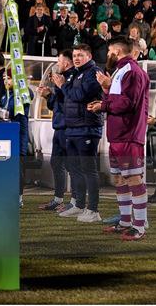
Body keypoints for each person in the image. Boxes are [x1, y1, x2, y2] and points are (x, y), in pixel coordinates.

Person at [87, 37, 149, 240]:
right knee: (120, 179)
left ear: (116, 51)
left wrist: (103, 104)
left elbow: (128, 103)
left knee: (132, 178)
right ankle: (125, 222)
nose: (107, 55)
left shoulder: (131, 71)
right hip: (118, 134)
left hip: (128, 134)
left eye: (109, 51)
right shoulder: (121, 70)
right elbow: (116, 100)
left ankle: (139, 226)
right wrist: (105, 90)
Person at [56, 44, 103, 222]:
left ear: (89, 56)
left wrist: (63, 86)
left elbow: (80, 95)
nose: (76, 58)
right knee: (74, 169)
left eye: (80, 55)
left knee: (88, 170)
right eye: (75, 55)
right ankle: (79, 205)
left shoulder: (93, 72)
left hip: (87, 128)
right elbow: (68, 97)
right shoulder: (75, 73)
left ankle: (93, 210)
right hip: (73, 128)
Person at [38, 49, 76, 211]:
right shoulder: (62, 78)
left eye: (59, 61)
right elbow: (57, 105)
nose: (57, 64)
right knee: (56, 162)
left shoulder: (72, 78)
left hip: (69, 127)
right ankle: (58, 198)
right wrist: (48, 96)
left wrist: (53, 93)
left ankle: (76, 202)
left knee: (72, 166)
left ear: (66, 63)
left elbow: (71, 102)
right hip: (59, 126)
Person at [0, 68, 33, 208]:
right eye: (4, 78)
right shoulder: (5, 95)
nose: (5, 81)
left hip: (18, 136)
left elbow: (11, 110)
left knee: (17, 169)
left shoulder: (24, 93)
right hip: (6, 136)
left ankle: (19, 197)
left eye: (8, 78)